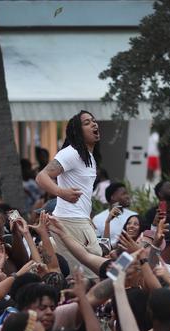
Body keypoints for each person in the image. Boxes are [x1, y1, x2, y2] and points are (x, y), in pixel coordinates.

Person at [35, 110, 102, 278]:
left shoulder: (88, 157)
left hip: (78, 221)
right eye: (87, 123)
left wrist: (87, 218)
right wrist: (61, 192)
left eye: (94, 121)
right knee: (90, 276)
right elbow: (41, 176)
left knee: (84, 275)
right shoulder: (71, 152)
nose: (94, 124)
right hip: (71, 222)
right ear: (77, 132)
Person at [92, 182, 137, 246]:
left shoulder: (134, 216)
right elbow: (96, 243)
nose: (128, 196)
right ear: (113, 197)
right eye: (124, 194)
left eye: (127, 193)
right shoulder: (98, 219)